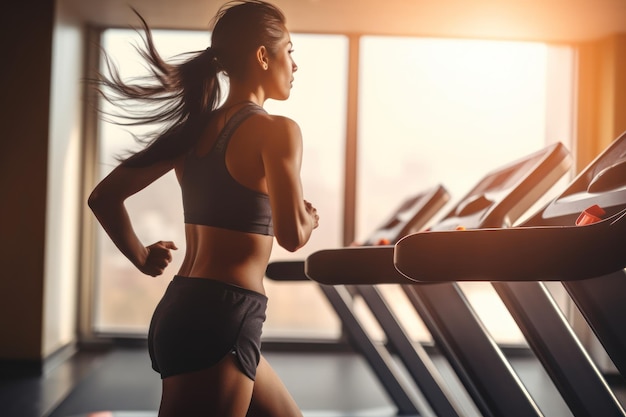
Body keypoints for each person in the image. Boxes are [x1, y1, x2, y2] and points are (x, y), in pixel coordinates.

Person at [87, 1, 319, 416]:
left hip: (187, 305)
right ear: (263, 56)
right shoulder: (278, 131)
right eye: (290, 50)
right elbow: (291, 235)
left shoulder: (191, 130)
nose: (295, 65)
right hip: (222, 314)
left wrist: (142, 258)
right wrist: (308, 218)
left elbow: (103, 198)